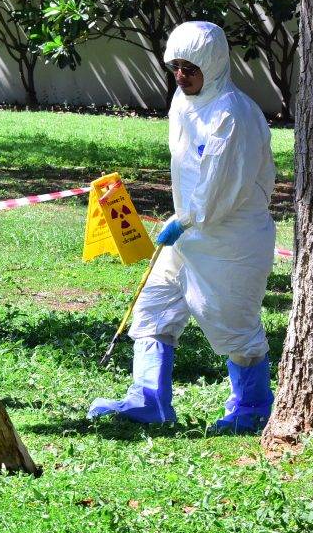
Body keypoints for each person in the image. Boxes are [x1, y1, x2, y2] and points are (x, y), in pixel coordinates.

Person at [88, 21, 276, 433]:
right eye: (175, 66)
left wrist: (187, 218)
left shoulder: (234, 113)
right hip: (185, 231)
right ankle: (149, 400)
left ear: (212, 64)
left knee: (231, 323)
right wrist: (184, 221)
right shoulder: (182, 102)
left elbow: (223, 187)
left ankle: (254, 406)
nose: (181, 76)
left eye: (189, 68)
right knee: (153, 308)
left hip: (231, 239)